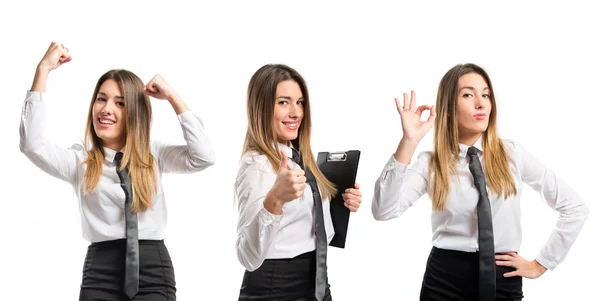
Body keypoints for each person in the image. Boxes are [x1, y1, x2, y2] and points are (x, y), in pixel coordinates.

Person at [371, 63, 589, 301]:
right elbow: (384, 210)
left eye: (486, 94)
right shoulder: (432, 163)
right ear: (449, 107)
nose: (481, 102)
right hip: (444, 280)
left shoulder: (513, 154)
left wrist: (541, 264)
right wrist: (409, 142)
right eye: (468, 94)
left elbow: (575, 208)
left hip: (503, 279)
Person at [19, 41, 216, 300]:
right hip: (100, 272)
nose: (106, 109)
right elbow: (32, 144)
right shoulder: (80, 161)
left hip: (153, 272)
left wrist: (172, 97)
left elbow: (204, 157)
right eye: (101, 99)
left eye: (120, 103)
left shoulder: (154, 155)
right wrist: (42, 70)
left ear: (134, 112)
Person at [235, 64, 362, 301]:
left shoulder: (300, 158)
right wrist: (275, 200)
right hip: (275, 287)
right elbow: (247, 256)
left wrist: (338, 202)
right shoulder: (256, 165)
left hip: (316, 281)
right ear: (262, 108)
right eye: (284, 102)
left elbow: (311, 228)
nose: (296, 113)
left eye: (300, 102)